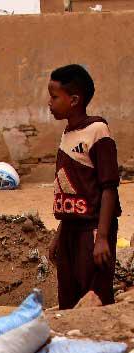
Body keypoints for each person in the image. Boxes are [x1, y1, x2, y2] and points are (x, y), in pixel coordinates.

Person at [47, 64, 120, 309]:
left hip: (92, 230)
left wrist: (102, 238)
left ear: (74, 100)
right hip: (70, 229)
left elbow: (109, 188)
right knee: (68, 300)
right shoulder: (67, 134)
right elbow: (72, 190)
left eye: (55, 97)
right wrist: (59, 236)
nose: (49, 102)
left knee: (94, 298)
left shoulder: (98, 131)